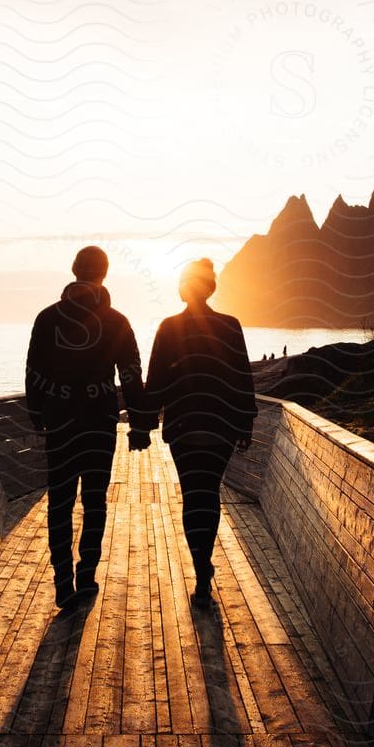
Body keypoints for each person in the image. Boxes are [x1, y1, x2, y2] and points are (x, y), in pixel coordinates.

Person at [128, 257, 256, 609]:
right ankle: (203, 570)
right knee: (209, 493)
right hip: (221, 426)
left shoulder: (169, 328)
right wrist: (245, 422)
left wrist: (143, 426)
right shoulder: (230, 326)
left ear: (184, 288)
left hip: (184, 427)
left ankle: (201, 567)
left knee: (192, 496)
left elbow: (156, 381)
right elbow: (242, 377)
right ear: (210, 287)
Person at [25, 246, 144, 609]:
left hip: (60, 423)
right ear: (105, 274)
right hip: (100, 422)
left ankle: (62, 580)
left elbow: (33, 371)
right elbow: (131, 375)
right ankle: (87, 575)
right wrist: (139, 423)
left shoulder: (47, 318)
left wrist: (37, 414)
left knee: (59, 502)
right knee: (95, 502)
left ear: (74, 270)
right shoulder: (118, 321)